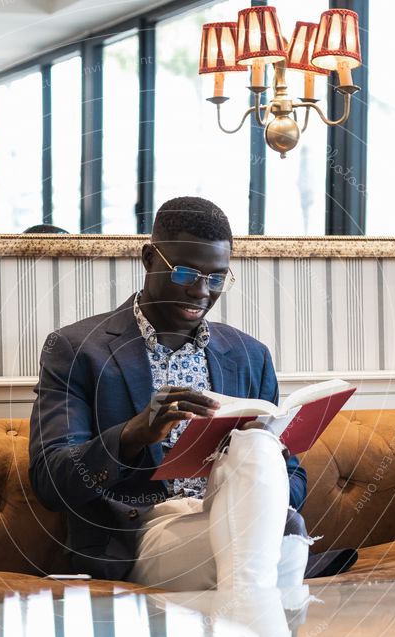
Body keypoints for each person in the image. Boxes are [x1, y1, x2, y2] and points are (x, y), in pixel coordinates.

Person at [29, 196, 356, 589]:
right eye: (185, 274)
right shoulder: (78, 350)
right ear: (149, 258)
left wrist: (265, 469)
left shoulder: (249, 356)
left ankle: (255, 629)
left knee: (257, 449)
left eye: (216, 278)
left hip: (237, 514)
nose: (201, 291)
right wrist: (134, 433)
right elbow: (51, 482)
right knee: (278, 541)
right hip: (144, 533)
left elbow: (294, 475)